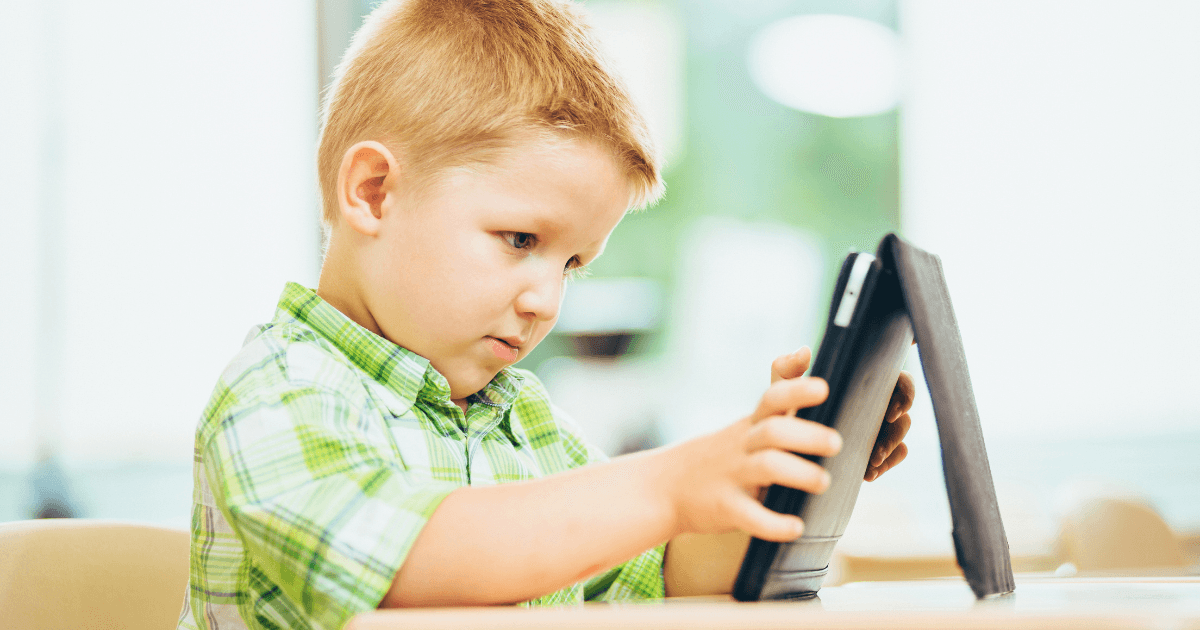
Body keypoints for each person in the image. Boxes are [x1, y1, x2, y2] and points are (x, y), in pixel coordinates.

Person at [176, 1, 914, 628]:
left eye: (572, 265)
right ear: (372, 192)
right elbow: (405, 564)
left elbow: (665, 577)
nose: (547, 300)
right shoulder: (279, 390)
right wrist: (666, 485)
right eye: (519, 240)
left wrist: (772, 480)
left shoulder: (524, 423)